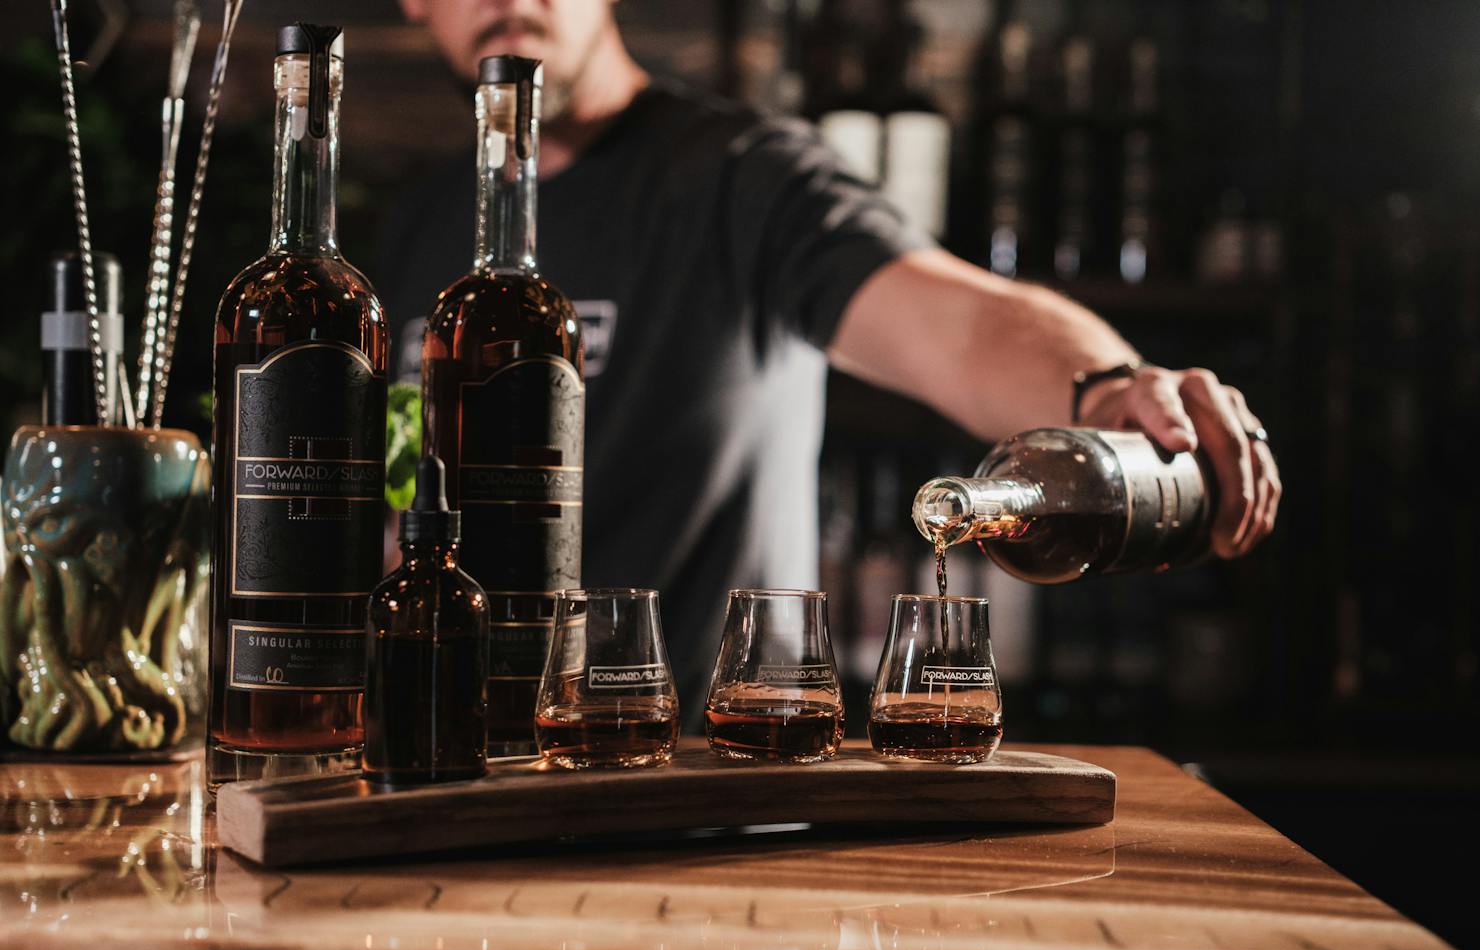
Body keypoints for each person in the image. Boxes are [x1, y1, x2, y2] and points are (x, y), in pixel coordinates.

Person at [382, 0, 1282, 713]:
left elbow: (956, 320)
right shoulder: (412, 234)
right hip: (467, 786)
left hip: (706, 804)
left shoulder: (743, 178)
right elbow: (396, 510)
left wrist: (1111, 392)